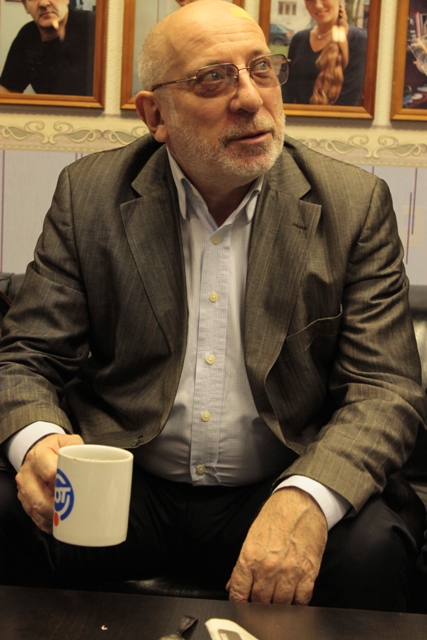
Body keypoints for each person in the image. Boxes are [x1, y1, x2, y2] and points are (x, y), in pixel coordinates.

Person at [0, 0, 426, 611]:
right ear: (156, 115)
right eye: (214, 78)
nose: (251, 98)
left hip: (280, 478)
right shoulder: (88, 195)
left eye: (262, 69)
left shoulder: (353, 204)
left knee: (373, 553)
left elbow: (385, 389)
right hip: (127, 479)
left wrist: (308, 496)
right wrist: (38, 443)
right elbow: (25, 357)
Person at [0, 0, 95, 96]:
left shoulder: (94, 26)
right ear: (25, 6)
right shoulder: (27, 36)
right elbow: (8, 89)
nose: (43, 3)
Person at [282, 0, 366, 106]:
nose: (318, 5)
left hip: (335, 116)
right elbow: (286, 91)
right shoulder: (299, 39)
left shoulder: (357, 39)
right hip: (297, 115)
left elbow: (348, 100)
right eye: (310, 0)